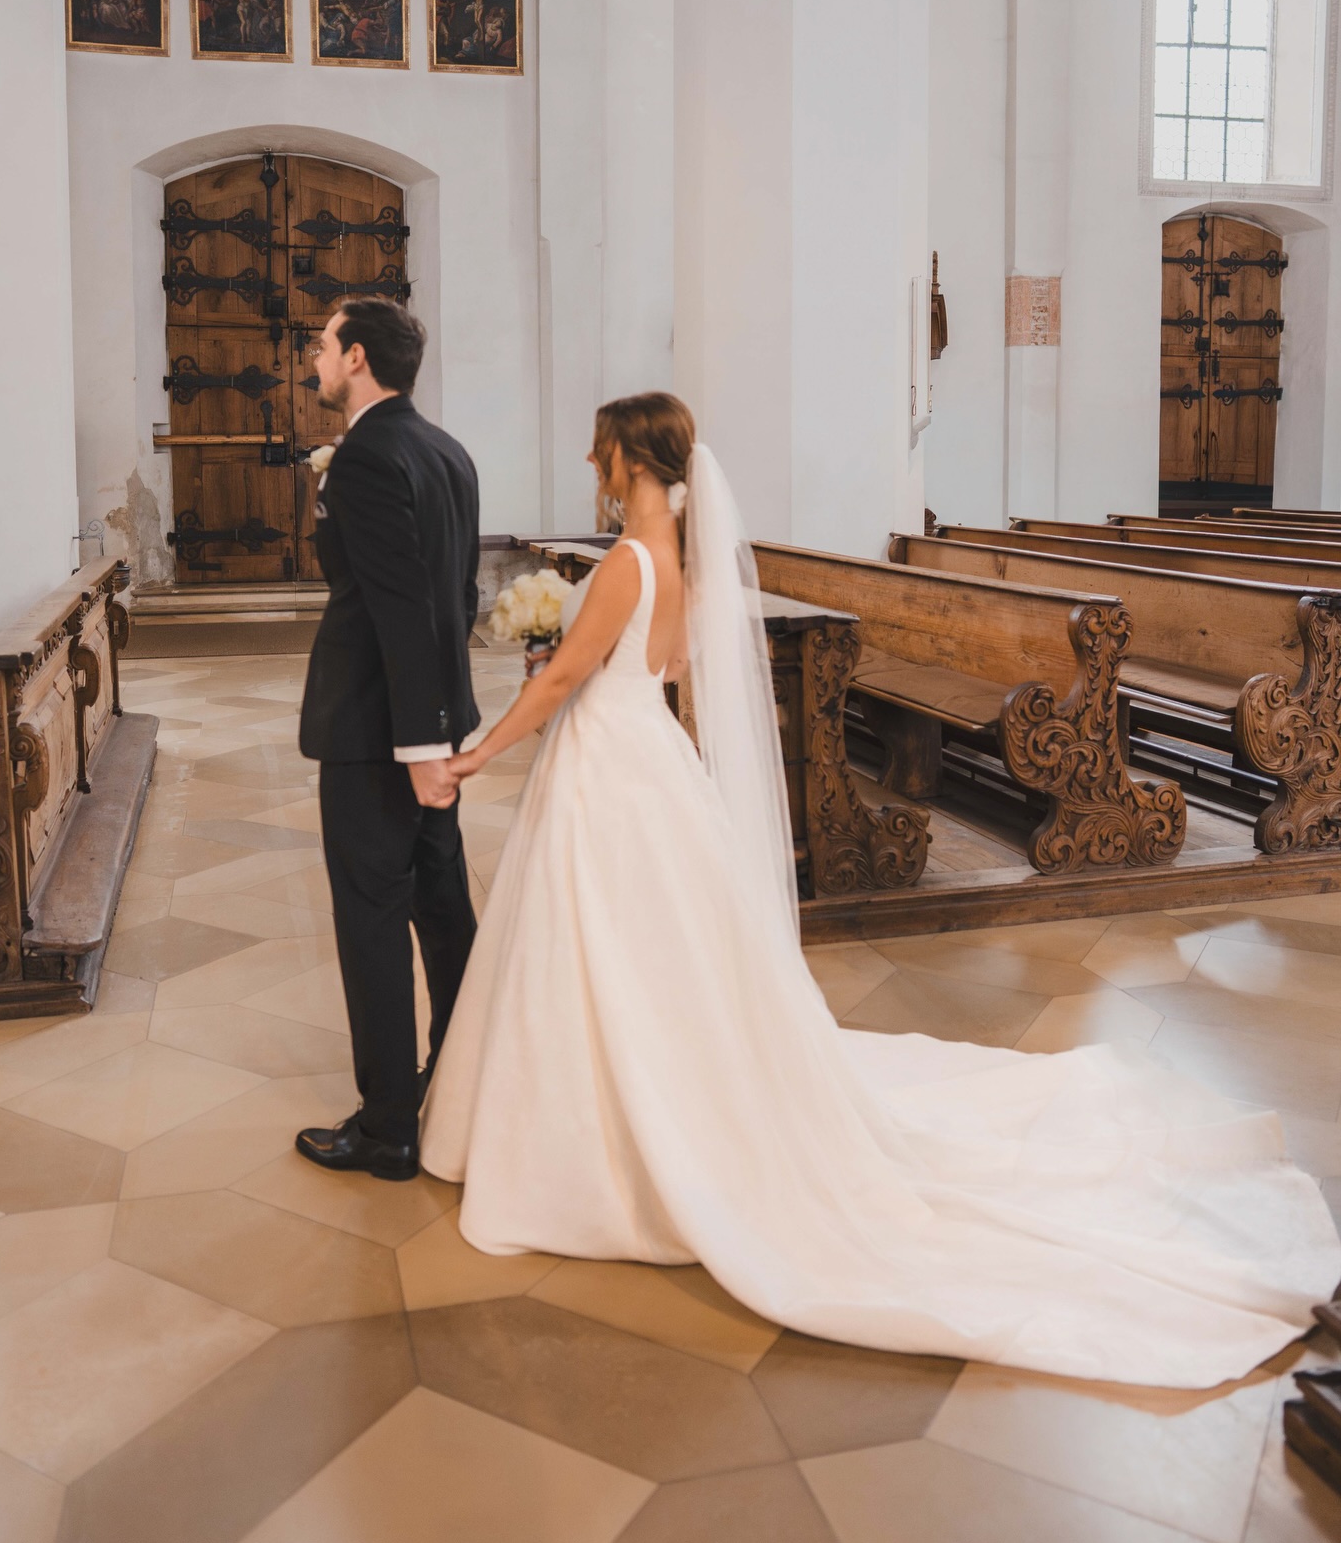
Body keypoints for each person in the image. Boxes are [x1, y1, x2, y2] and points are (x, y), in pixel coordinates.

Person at [421, 391, 1341, 1388]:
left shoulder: (627, 563)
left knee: (604, 945)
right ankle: (650, 1095)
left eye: (599, 444)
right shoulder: (679, 564)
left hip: (608, 766)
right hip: (645, 760)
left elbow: (562, 685)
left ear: (627, 458)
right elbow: (671, 670)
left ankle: (602, 1136)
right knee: (658, 952)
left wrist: (477, 753)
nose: (591, 458)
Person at [295, 300, 480, 1182]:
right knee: (443, 914)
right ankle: (468, 1076)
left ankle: (388, 1128)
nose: (314, 359)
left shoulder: (366, 456)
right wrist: (443, 732)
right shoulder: (447, 451)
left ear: (358, 356)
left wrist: (415, 746)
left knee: (371, 922)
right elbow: (457, 600)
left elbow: (402, 609)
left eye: (323, 345)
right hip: (429, 725)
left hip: (379, 735)